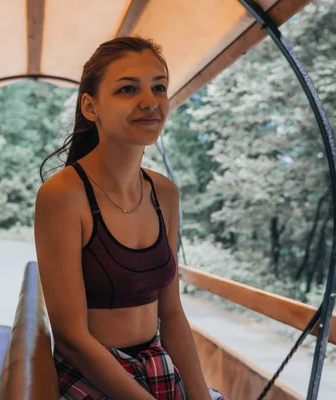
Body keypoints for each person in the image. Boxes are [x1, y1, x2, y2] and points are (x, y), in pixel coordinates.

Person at [35, 37, 225, 400]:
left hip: (156, 364)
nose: (150, 102)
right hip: (92, 375)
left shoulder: (164, 194)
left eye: (159, 87)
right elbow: (72, 338)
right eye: (127, 89)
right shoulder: (63, 196)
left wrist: (199, 396)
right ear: (91, 107)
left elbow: (171, 315)